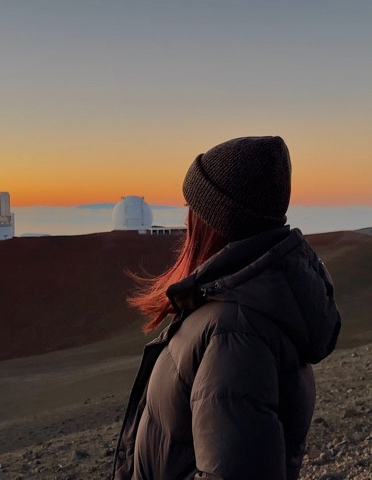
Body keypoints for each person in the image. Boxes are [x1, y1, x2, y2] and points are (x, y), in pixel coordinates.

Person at [112, 136, 341, 480]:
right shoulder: (235, 309)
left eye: (192, 209)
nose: (186, 221)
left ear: (213, 223)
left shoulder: (234, 332)